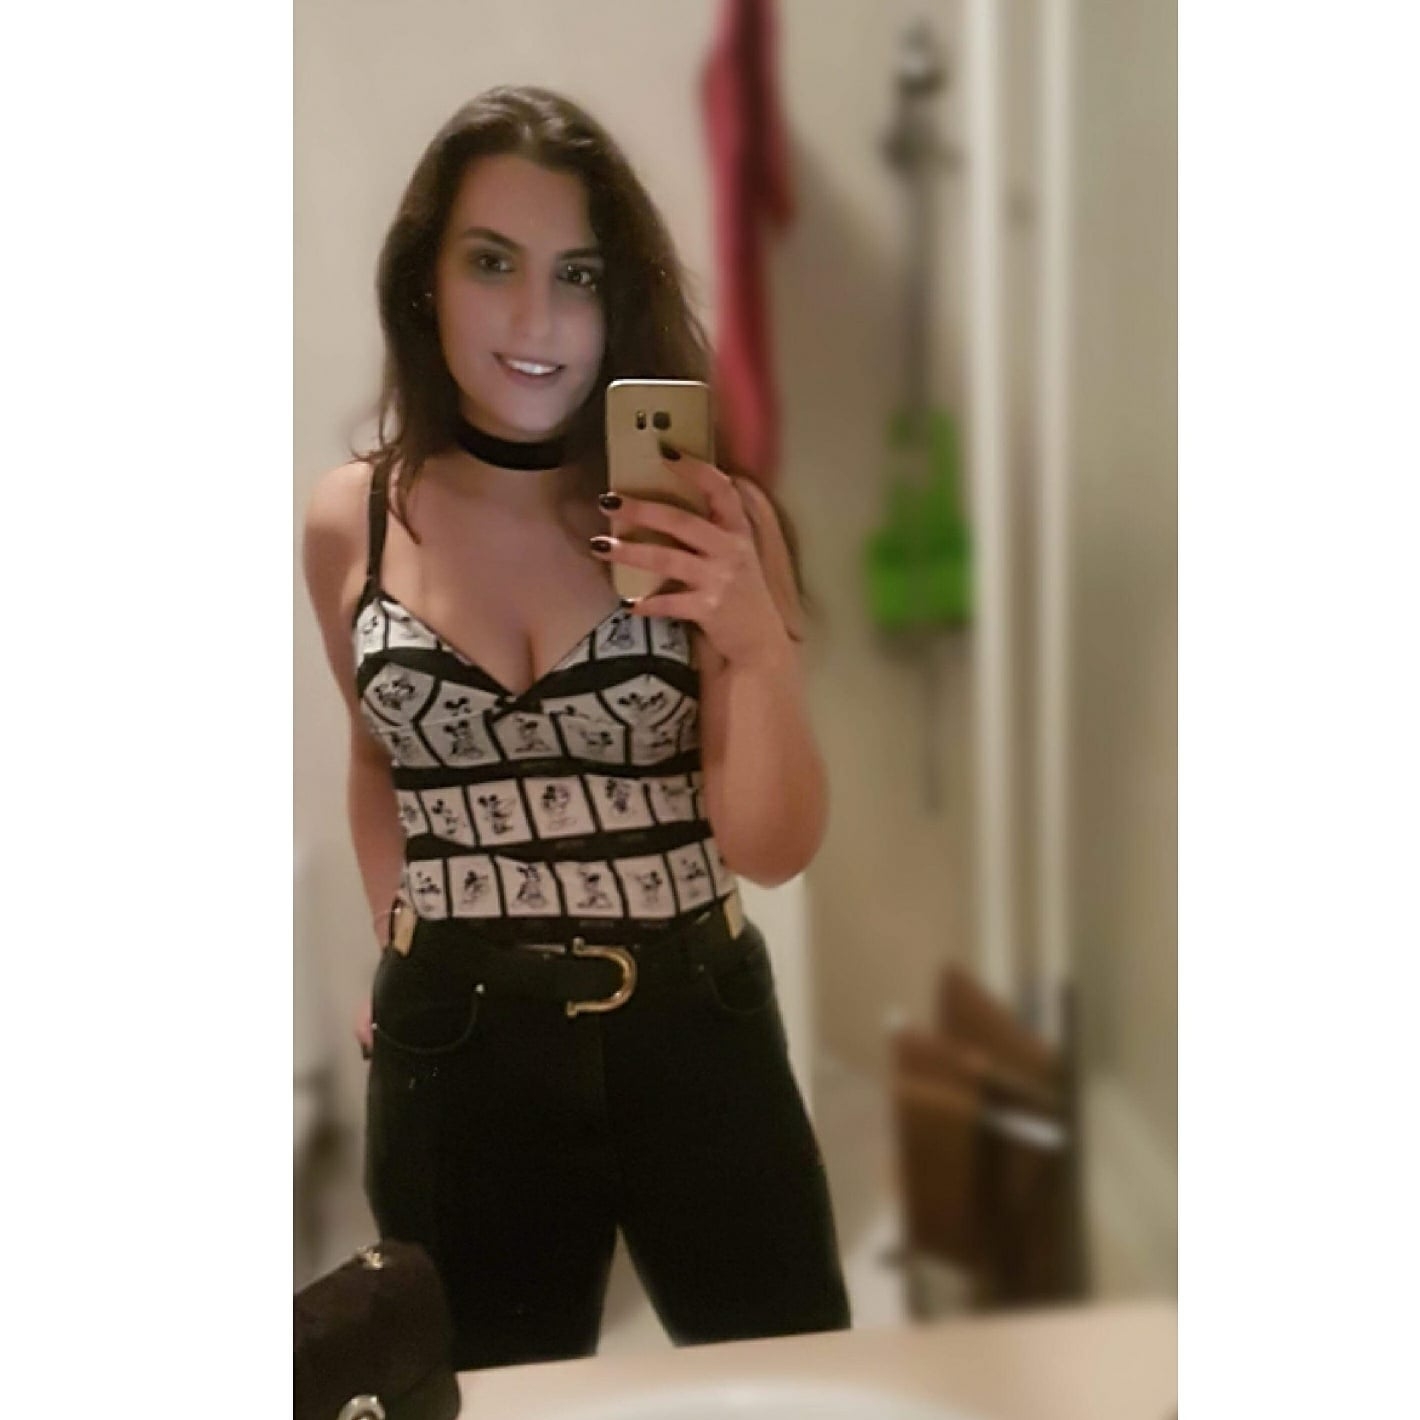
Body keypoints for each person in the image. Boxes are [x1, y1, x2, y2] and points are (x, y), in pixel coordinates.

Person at [301, 85, 851, 1371]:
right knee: (478, 1391)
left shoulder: (707, 521)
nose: (536, 319)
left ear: (620, 297)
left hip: (692, 1024)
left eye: (579, 274)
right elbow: (378, 755)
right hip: (457, 1038)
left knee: (786, 1382)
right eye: (493, 262)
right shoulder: (351, 520)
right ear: (426, 278)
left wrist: (755, 640)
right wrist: (399, 943)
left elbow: (771, 850)